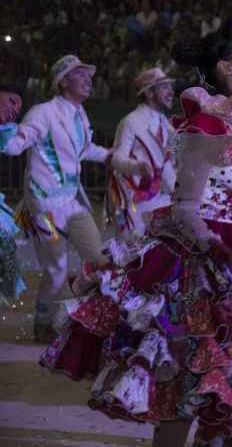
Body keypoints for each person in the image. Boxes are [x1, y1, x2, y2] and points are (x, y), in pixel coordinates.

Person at [40, 21, 232, 447]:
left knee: (231, 382)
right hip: (193, 266)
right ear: (227, 68)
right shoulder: (207, 124)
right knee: (184, 388)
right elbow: (187, 210)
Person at [2, 55, 110, 343]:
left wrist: (114, 157)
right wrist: (2, 126)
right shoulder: (43, 112)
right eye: (80, 74)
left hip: (73, 203)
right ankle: (43, 323)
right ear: (63, 81)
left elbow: (85, 150)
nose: (88, 78)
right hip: (43, 208)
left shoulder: (80, 114)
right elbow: (15, 145)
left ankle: (86, 316)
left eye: (89, 74)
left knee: (99, 259)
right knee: (57, 269)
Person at [106, 67, 176, 236]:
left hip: (159, 197)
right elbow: (116, 159)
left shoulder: (166, 125)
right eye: (164, 87)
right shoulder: (131, 122)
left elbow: (165, 164)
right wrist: (137, 167)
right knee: (132, 255)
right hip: (132, 198)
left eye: (170, 86)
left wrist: (177, 190)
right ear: (149, 93)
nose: (171, 92)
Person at [0, 87, 27, 308]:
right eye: (11, 101)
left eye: (17, 109)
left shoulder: (5, 132)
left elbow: (13, 147)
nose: (14, 110)